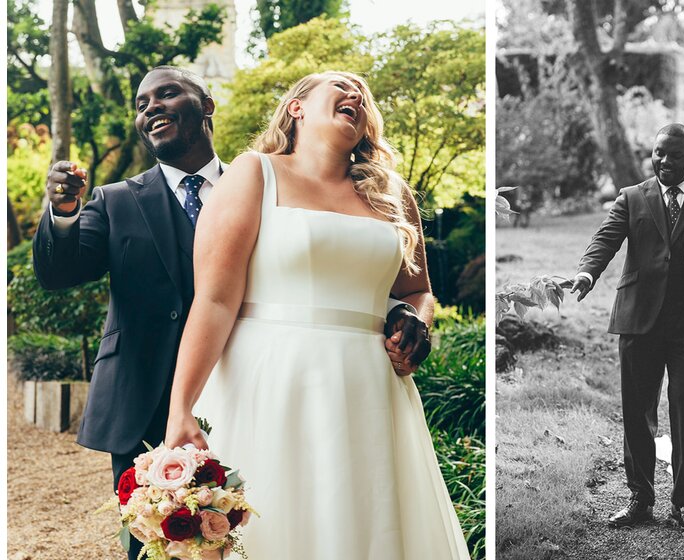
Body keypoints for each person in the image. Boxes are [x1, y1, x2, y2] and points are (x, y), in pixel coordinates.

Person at [31, 66, 428, 560]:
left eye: (168, 93)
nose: (151, 106)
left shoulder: (259, 177)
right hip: (151, 391)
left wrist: (406, 317)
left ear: (207, 106)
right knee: (159, 544)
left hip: (287, 385)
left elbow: (399, 287)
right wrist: (64, 213)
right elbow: (60, 272)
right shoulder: (118, 201)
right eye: (141, 103)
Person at [162, 71, 470, 558]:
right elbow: (215, 300)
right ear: (297, 108)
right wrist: (180, 409)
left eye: (363, 96)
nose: (356, 96)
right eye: (340, 86)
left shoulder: (392, 195)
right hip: (270, 384)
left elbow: (417, 291)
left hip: (370, 392)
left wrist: (417, 325)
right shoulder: (254, 172)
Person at [570, 123, 684, 530]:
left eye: (674, 155)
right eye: (659, 152)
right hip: (639, 320)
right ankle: (640, 498)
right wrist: (587, 274)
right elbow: (605, 240)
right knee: (637, 411)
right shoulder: (632, 197)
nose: (664, 161)